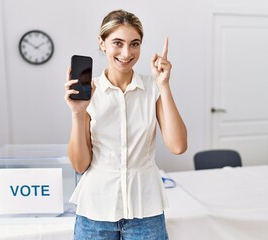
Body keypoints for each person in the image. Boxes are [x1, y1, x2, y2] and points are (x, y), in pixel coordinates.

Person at [64, 9, 187, 240]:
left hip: (146, 212)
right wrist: (78, 114)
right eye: (117, 43)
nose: (126, 52)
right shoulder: (90, 93)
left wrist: (164, 86)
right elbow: (80, 165)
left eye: (134, 44)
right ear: (102, 43)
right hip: (95, 212)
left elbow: (178, 146)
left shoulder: (153, 89)